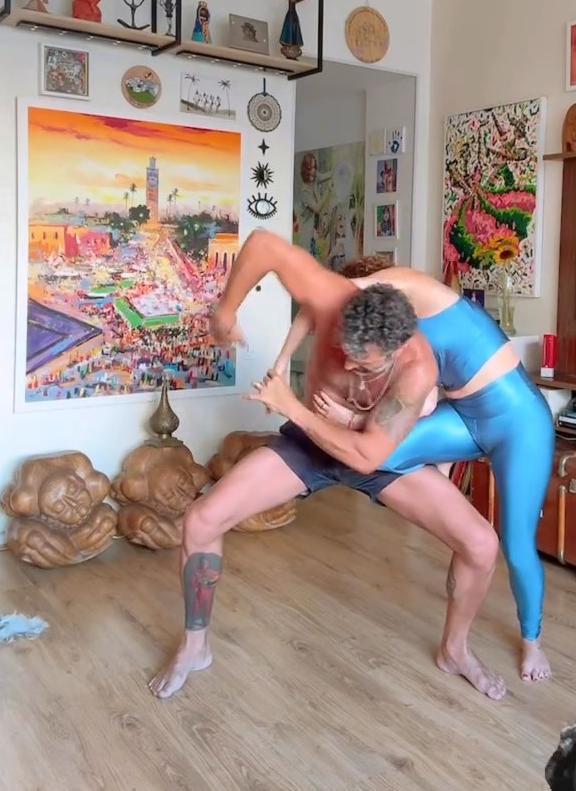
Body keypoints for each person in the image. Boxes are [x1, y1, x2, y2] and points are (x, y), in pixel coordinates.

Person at [211, 230, 555, 682]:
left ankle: (531, 641)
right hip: (461, 415)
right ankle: (306, 471)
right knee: (369, 456)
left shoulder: (406, 292)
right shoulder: (376, 323)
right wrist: (281, 362)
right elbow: (317, 309)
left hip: (518, 422)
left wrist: (345, 415)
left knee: (515, 542)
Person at [149, 275, 504, 702]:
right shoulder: (335, 308)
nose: (350, 367)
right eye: (346, 353)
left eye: (364, 364)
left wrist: (292, 406)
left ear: (395, 350)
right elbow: (279, 267)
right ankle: (195, 646)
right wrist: (283, 361)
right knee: (201, 520)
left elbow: (367, 456)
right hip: (311, 447)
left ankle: (455, 650)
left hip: (376, 458)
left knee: (481, 544)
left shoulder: (418, 368)